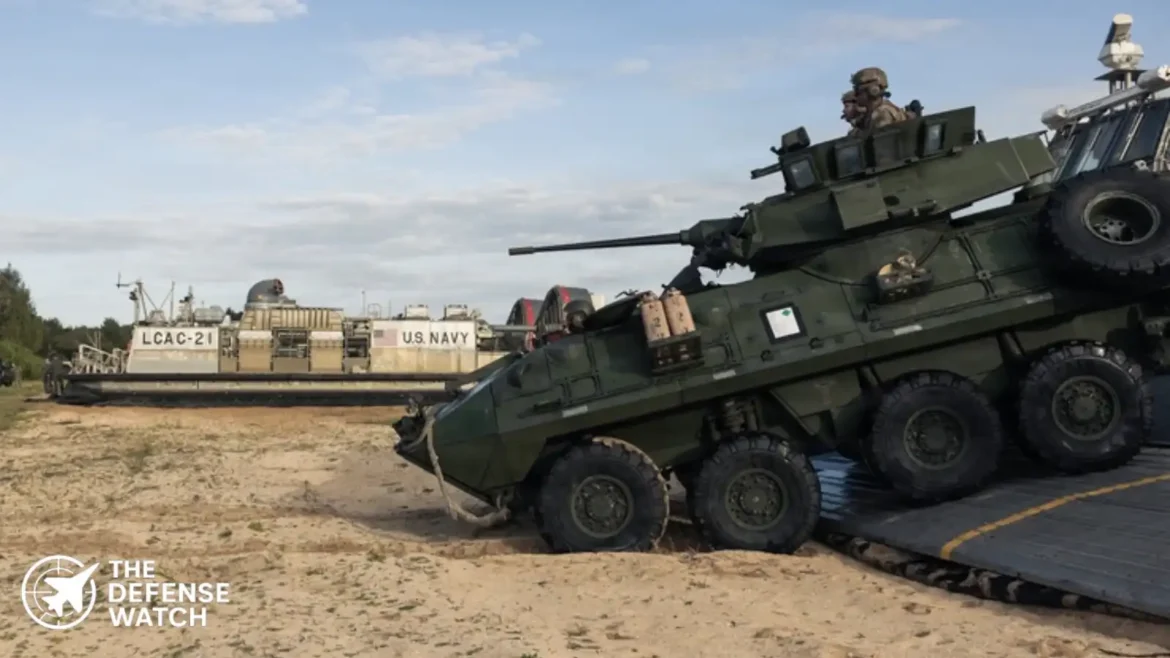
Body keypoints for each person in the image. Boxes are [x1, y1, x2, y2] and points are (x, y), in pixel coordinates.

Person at [850, 67, 909, 132]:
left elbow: (882, 140)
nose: (855, 95)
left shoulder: (883, 113)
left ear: (872, 91)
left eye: (858, 91)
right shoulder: (868, 117)